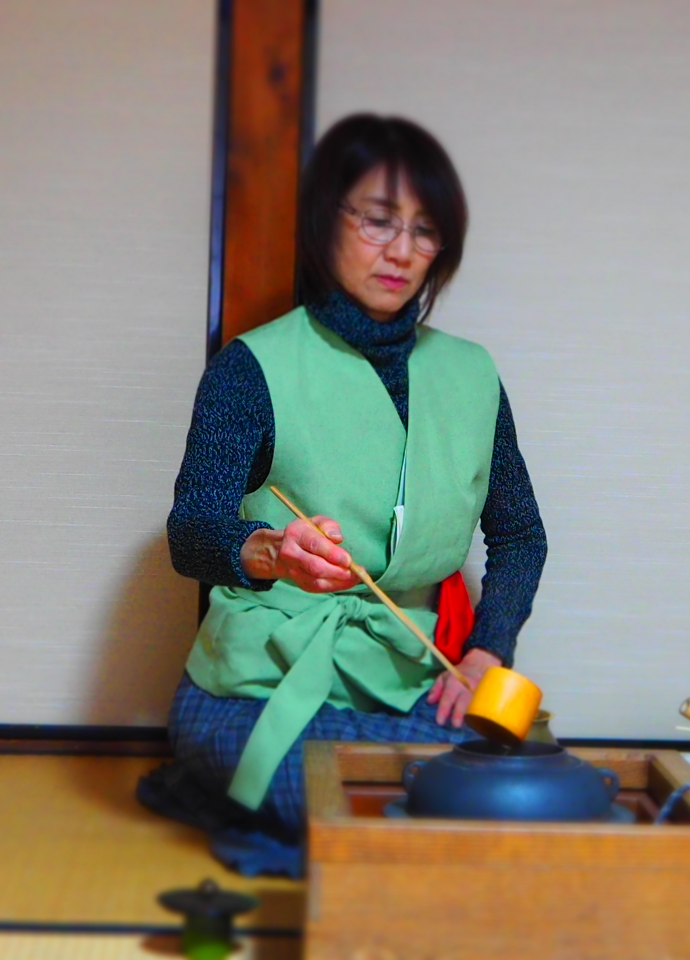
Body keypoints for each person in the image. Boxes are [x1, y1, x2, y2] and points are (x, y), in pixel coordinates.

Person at [150, 114, 547, 858]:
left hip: (409, 677)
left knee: (517, 794)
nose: (401, 250)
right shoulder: (250, 368)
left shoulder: (473, 375)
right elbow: (191, 530)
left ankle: (273, 818)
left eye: (425, 230)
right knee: (401, 813)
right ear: (324, 219)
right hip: (259, 683)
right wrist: (271, 551)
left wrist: (485, 654)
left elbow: (521, 535)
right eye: (378, 220)